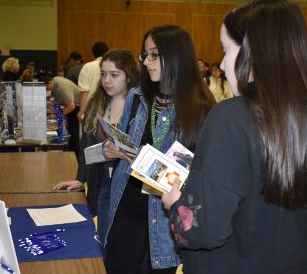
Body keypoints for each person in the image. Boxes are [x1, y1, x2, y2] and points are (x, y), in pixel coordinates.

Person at [162, 0, 307, 273]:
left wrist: (176, 205)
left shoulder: (232, 116)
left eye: (226, 51)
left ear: (253, 52)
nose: (222, 65)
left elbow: (202, 231)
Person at [103, 25, 215, 273]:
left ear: (176, 56)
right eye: (145, 55)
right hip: (127, 206)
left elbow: (201, 174)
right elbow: (121, 140)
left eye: (155, 54)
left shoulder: (201, 109)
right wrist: (112, 151)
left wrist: (151, 166)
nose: (146, 62)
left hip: (165, 217)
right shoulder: (136, 97)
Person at [53, 48, 139, 243]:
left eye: (114, 75)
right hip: (103, 182)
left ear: (129, 76)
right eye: (103, 74)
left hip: (130, 187)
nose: (107, 80)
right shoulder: (96, 103)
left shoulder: (140, 106)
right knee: (104, 239)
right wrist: (80, 178)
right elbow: (86, 147)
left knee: (126, 244)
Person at [40, 74, 80, 158]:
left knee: (73, 132)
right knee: (70, 130)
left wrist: (60, 115)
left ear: (50, 83)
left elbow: (71, 105)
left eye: (47, 88)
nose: (47, 90)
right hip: (72, 105)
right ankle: (70, 150)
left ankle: (75, 154)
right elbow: (59, 98)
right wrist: (51, 106)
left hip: (77, 106)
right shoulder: (55, 82)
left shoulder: (62, 87)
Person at [77, 41, 108, 122]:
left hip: (90, 112)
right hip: (108, 111)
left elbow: (84, 91)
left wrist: (81, 112)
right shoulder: (112, 66)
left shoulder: (87, 67)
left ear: (93, 53)